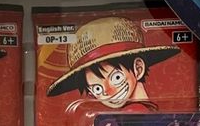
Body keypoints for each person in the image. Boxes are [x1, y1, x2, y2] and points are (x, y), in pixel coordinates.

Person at [46, 16, 180, 110]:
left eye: (116, 77)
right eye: (97, 88)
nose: (109, 92)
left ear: (138, 68)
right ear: (91, 93)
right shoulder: (143, 112)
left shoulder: (132, 113)